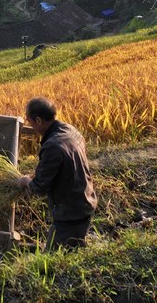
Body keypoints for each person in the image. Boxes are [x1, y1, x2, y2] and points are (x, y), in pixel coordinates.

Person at [17, 97, 97, 249]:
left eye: (29, 120)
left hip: (70, 213)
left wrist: (25, 181)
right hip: (86, 200)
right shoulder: (70, 130)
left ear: (38, 120)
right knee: (75, 248)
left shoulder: (52, 146)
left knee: (54, 256)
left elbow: (39, 188)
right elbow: (66, 165)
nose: (30, 125)